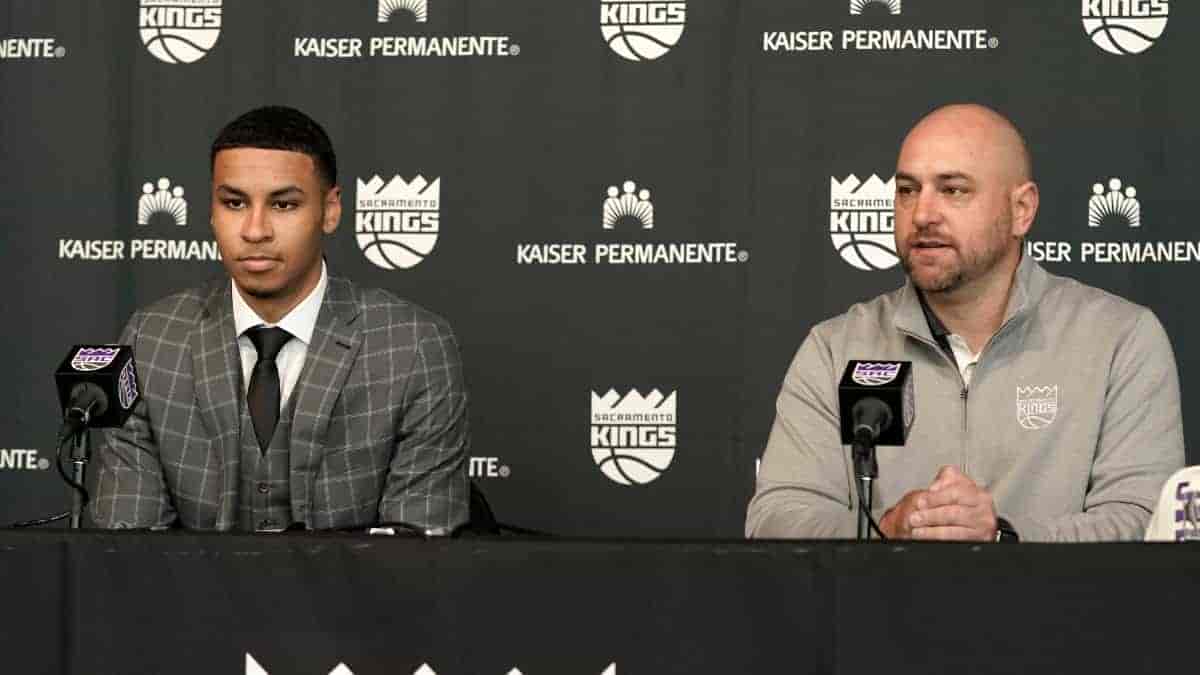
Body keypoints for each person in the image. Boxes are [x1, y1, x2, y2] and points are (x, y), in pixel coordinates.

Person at [746, 103, 1184, 542]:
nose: (921, 215)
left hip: (1052, 592)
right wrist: (887, 529)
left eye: (953, 190)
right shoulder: (836, 348)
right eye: (907, 190)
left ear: (1021, 209)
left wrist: (1003, 536)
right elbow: (775, 520)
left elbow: (1147, 522)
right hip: (884, 592)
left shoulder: (1119, 339)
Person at [91, 106, 470, 532]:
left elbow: (418, 553)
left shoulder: (413, 346)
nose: (255, 230)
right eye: (234, 203)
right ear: (212, 210)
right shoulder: (151, 341)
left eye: (284, 204)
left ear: (330, 210)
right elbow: (125, 548)